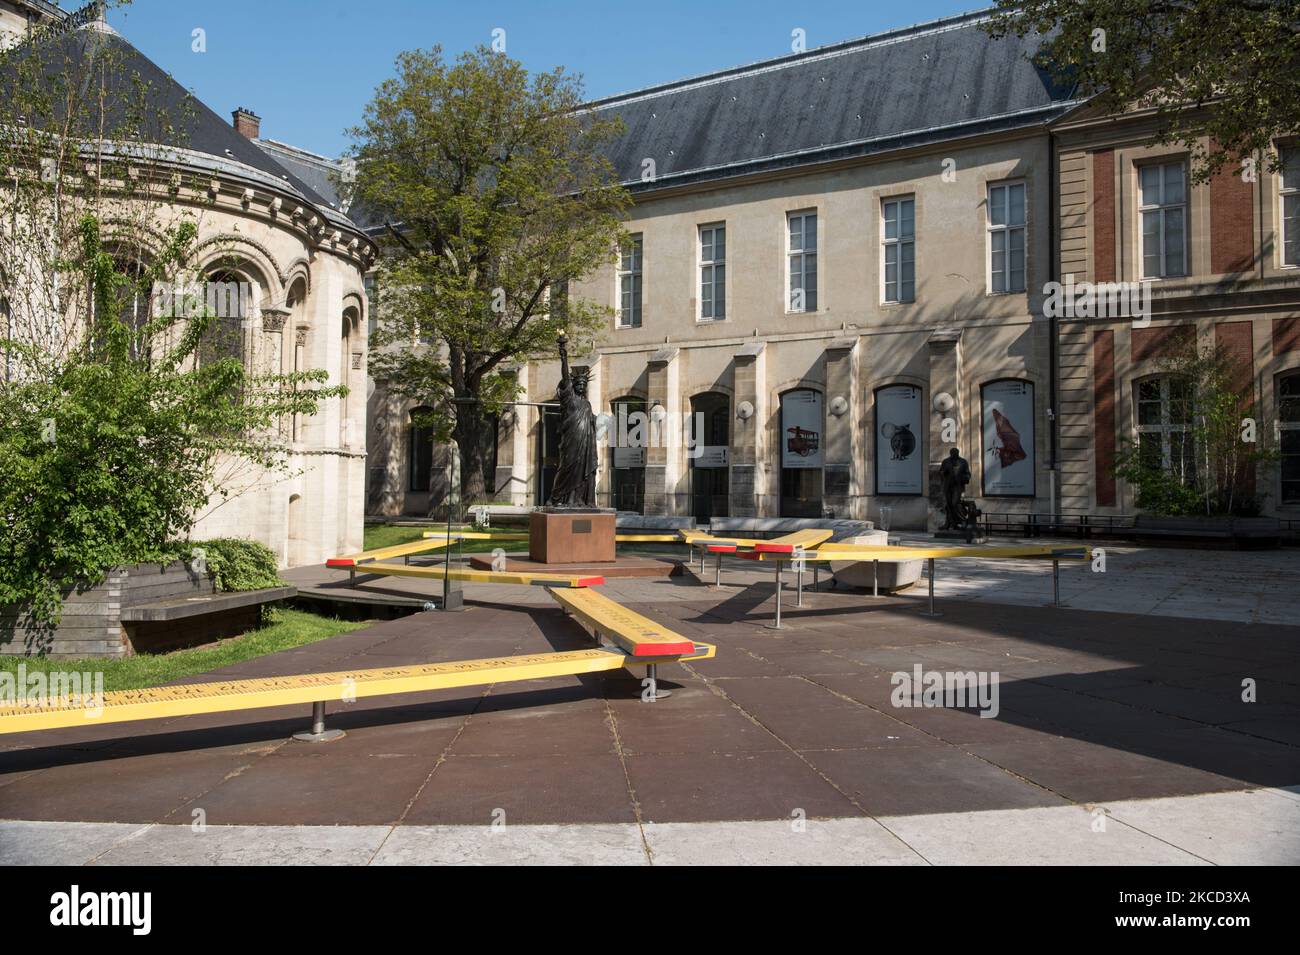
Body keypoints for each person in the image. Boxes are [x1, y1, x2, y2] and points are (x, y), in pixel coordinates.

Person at [547, 334, 598, 507]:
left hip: (586, 444)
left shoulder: (587, 404)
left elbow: (591, 424)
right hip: (571, 441)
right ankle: (557, 496)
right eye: (579, 384)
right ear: (573, 386)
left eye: (584, 384)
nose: (581, 386)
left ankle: (576, 499)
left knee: (582, 470)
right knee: (567, 468)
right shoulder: (569, 398)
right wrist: (564, 355)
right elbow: (565, 377)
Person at [938, 447, 972, 531]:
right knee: (948, 505)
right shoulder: (946, 462)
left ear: (958, 453)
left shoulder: (963, 462)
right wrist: (943, 473)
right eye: (952, 453)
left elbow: (968, 474)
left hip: (958, 486)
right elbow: (940, 472)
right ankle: (951, 523)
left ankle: (963, 520)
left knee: (955, 503)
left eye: (955, 453)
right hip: (948, 486)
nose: (954, 454)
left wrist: (964, 478)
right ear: (950, 453)